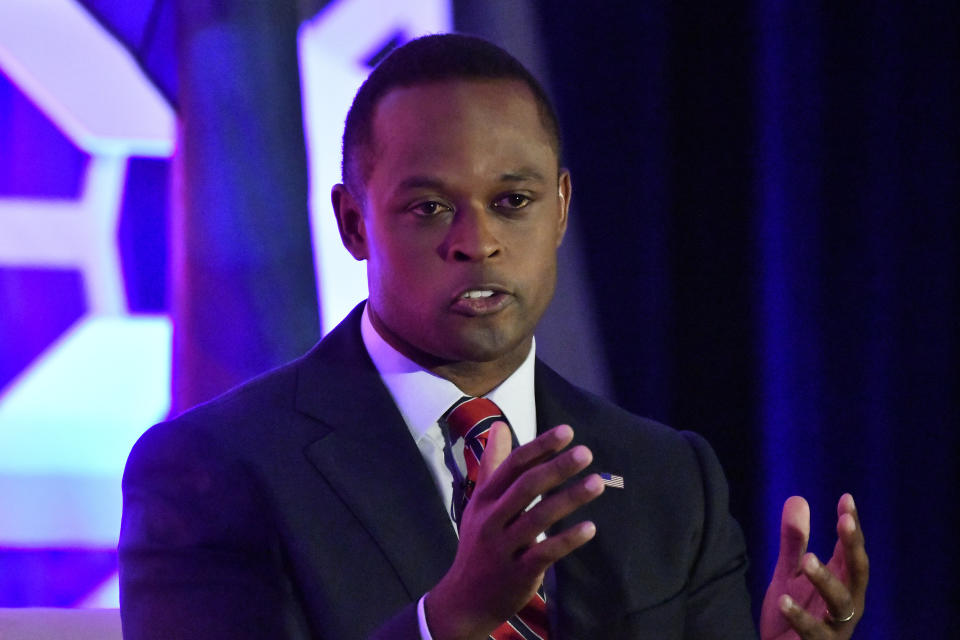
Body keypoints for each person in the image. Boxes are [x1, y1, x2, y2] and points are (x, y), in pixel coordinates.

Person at [118, 34, 868, 639]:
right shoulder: (211, 471)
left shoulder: (671, 479)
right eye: (430, 209)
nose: (478, 242)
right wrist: (447, 624)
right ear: (355, 224)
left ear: (562, 208)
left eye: (513, 201)